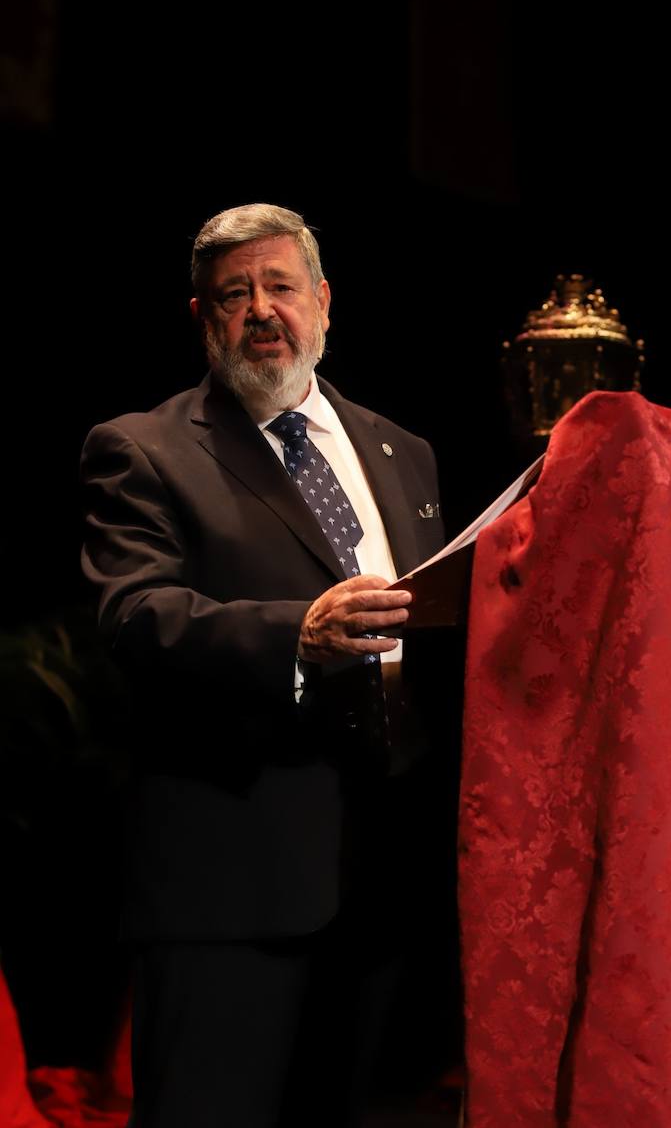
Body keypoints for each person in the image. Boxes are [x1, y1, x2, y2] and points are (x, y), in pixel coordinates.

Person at [81, 204, 446, 1128]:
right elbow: (134, 615)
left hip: (385, 881)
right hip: (227, 888)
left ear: (323, 303)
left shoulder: (406, 453)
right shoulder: (143, 450)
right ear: (202, 316)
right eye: (233, 294)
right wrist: (298, 636)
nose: (261, 310)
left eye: (280, 286)